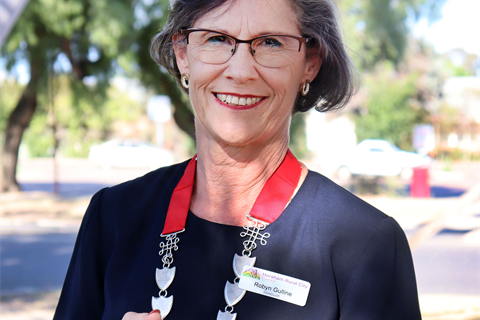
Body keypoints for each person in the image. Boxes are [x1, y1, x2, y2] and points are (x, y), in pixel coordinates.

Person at [54, 0, 422, 319]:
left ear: (309, 63)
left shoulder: (366, 244)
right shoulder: (114, 218)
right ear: (183, 55)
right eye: (216, 39)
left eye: (271, 43)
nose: (241, 71)